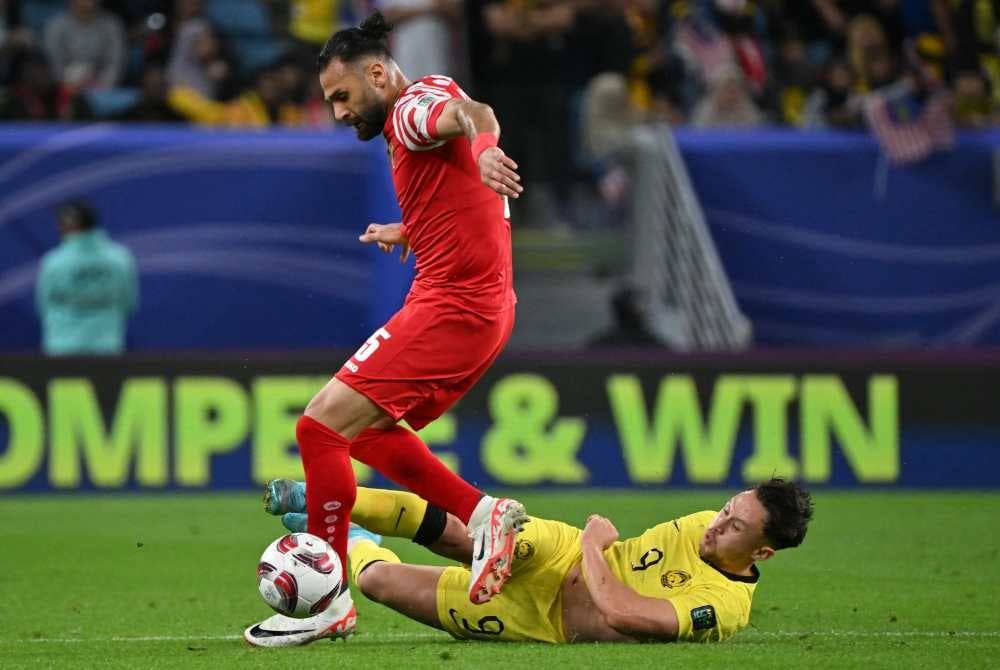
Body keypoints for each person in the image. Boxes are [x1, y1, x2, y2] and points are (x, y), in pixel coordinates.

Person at [243, 10, 526, 647]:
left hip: (454, 306)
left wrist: (486, 155)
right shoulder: (432, 87)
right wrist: (415, 226)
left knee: (318, 428)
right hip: (479, 305)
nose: (340, 112)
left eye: (341, 96)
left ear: (377, 73)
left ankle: (329, 597)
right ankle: (485, 515)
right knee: (364, 434)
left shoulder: (406, 114)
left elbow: (473, 118)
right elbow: (456, 137)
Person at [263, 477, 813, 643]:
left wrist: (597, 545)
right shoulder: (702, 523)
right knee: (468, 536)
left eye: (734, 526)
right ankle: (323, 499)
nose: (716, 523)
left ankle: (349, 528)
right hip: (560, 550)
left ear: (762, 552)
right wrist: (586, 545)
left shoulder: (722, 606)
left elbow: (622, 614)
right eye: (725, 509)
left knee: (380, 582)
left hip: (540, 620)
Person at [35, 201, 139, 356]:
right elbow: (129, 303)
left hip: (62, 350)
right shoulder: (120, 258)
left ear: (69, 225)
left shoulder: (53, 262)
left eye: (61, 223)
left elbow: (44, 305)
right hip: (107, 348)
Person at [42, 0, 126, 91]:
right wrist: (67, 83)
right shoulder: (56, 25)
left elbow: (115, 63)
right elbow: (53, 62)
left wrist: (102, 85)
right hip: (64, 86)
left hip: (102, 88)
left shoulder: (112, 24)